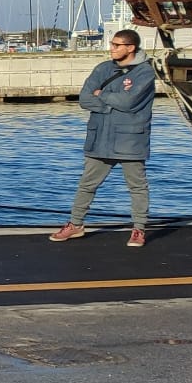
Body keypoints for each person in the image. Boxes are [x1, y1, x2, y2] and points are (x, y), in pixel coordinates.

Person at [50, 29, 154, 246]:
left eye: (117, 45)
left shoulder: (144, 73)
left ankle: (138, 229)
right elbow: (85, 99)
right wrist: (111, 104)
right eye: (112, 44)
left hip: (129, 139)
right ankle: (75, 224)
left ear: (130, 47)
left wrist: (103, 96)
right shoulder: (103, 68)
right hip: (100, 137)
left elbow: (129, 102)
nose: (111, 48)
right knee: (87, 184)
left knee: (137, 186)